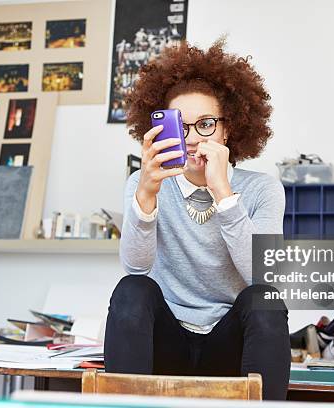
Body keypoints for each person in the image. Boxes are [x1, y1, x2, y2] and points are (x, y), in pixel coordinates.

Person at [104, 39, 290, 400]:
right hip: (166, 343)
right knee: (132, 290)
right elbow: (136, 269)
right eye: (180, 127)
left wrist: (223, 193)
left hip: (229, 346)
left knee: (263, 299)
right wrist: (145, 195)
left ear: (227, 129)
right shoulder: (143, 184)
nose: (191, 139)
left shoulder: (263, 190)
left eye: (205, 124)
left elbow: (266, 279)